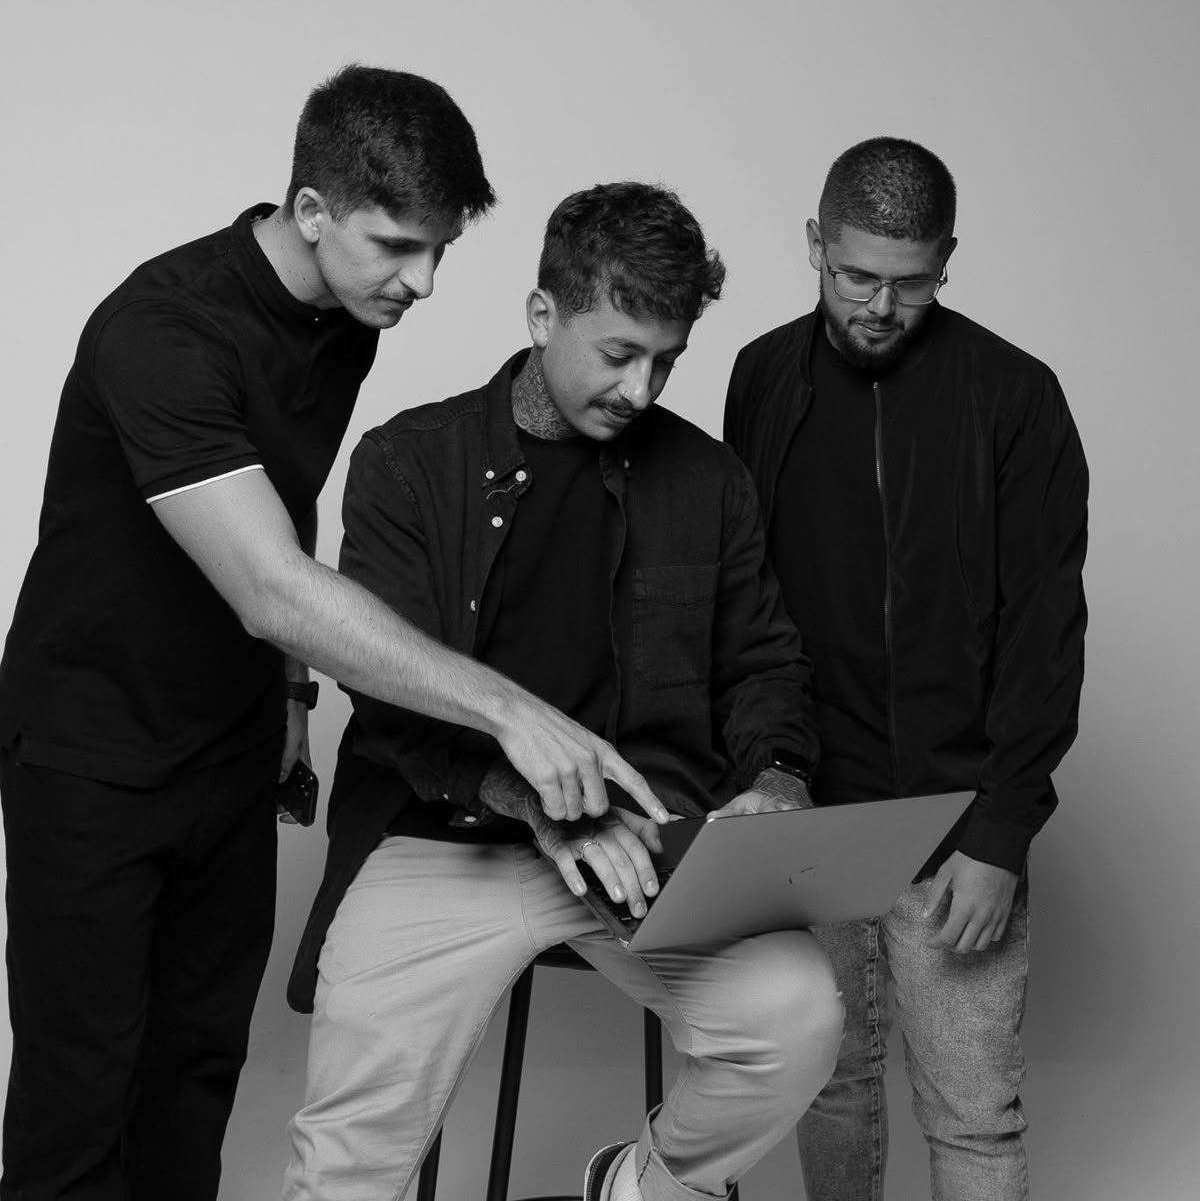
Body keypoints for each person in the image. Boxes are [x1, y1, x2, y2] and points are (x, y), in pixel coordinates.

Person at [0, 68, 665, 1201]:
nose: (423, 282)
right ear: (311, 213)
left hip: (228, 747)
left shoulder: (340, 317)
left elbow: (281, 505)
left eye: (442, 251)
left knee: (197, 1071)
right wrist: (508, 707)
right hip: (90, 756)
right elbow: (267, 582)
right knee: (82, 1095)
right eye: (399, 246)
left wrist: (294, 697)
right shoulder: (161, 331)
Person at [281, 181, 844, 1201]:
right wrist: (533, 800)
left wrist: (776, 781)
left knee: (797, 1016)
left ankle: (642, 1187)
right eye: (620, 353)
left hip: (648, 848)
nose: (642, 388)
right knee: (349, 1156)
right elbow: (389, 695)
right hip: (440, 837)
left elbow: (764, 661)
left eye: (666, 360)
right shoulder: (409, 463)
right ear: (543, 317)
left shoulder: (708, 480)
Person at [723, 136, 1088, 1201]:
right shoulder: (761, 376)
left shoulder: (1015, 396)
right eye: (855, 277)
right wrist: (759, 777)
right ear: (812, 246)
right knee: (831, 1090)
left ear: (949, 260)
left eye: (911, 282)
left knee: (974, 1119)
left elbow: (1044, 627)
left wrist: (1002, 829)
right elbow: (744, 606)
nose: (880, 306)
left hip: (957, 823)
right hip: (813, 817)